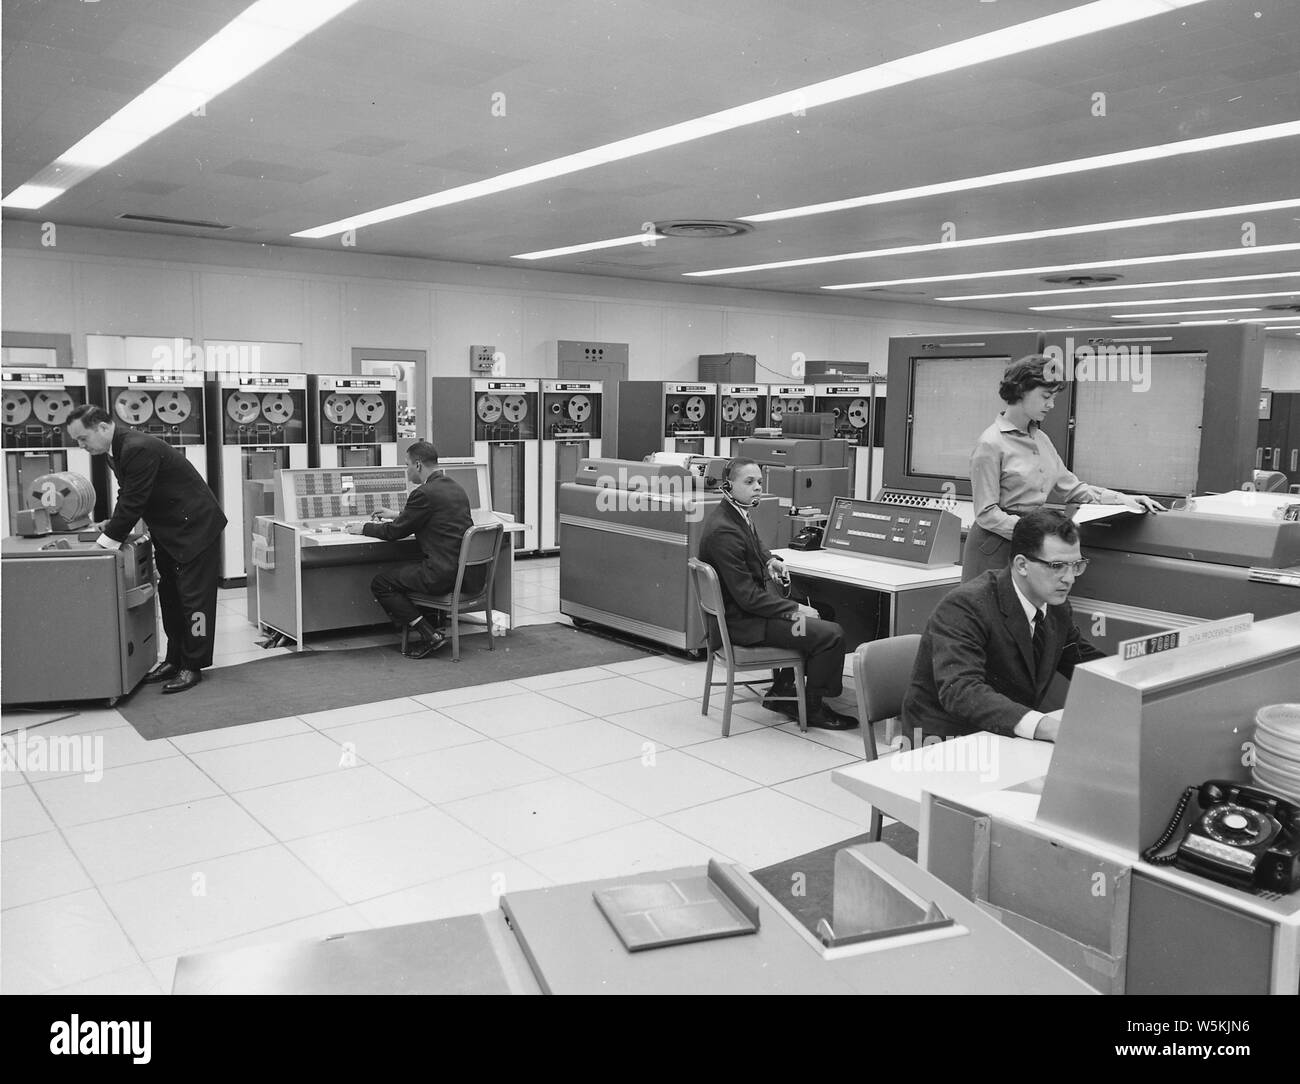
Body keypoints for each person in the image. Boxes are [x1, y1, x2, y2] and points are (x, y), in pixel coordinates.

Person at [903, 508, 1105, 743]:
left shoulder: (1056, 607)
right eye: (1057, 566)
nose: (1069, 578)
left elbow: (1083, 661)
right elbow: (961, 690)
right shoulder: (965, 606)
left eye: (1076, 565)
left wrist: (1134, 678)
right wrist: (1045, 726)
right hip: (944, 744)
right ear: (1021, 565)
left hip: (1004, 737)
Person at [66, 404, 227, 694]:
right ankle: (174, 659)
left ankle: (193, 665)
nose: (81, 446)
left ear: (102, 427)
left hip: (196, 529)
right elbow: (127, 494)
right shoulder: (115, 450)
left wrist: (105, 546)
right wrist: (113, 523)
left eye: (82, 438)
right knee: (170, 596)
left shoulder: (136, 447)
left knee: (194, 601)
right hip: (170, 529)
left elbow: (134, 500)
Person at [963, 355, 1164, 581]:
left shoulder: (1041, 439)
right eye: (1046, 396)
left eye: (1054, 397)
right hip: (996, 546)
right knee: (993, 613)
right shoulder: (990, 443)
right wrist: (1037, 533)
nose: (1051, 404)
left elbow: (1073, 489)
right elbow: (987, 514)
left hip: (1032, 542)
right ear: (1021, 390)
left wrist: (1124, 499)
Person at [697, 458, 853, 731]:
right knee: (831, 634)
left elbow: (753, 542)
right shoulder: (724, 530)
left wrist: (769, 560)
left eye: (759, 481)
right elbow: (748, 597)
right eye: (749, 482)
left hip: (747, 614)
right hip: (745, 623)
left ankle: (782, 691)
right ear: (728, 485)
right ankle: (813, 707)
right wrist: (794, 610)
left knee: (824, 612)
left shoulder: (734, 513)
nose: (757, 487)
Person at [345, 441, 478, 659]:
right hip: (465, 573)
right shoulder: (455, 487)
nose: (406, 470)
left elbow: (393, 533)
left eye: (406, 465)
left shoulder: (423, 493)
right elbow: (433, 515)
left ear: (417, 465)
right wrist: (397, 514)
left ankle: (429, 634)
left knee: (382, 583)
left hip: (441, 575)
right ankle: (424, 625)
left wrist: (363, 528)